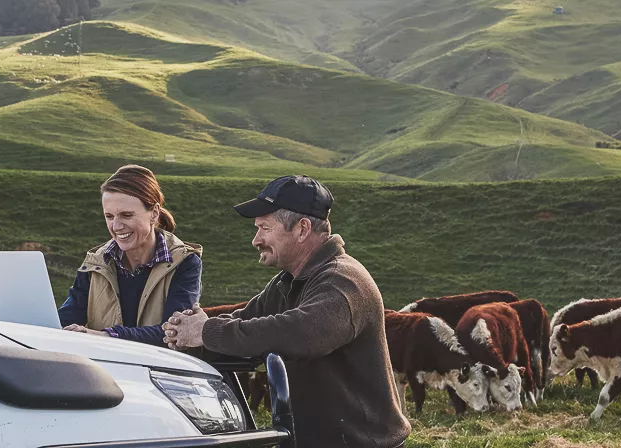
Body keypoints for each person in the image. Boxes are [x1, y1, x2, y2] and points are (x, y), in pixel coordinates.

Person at [162, 175, 410, 448]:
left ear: (302, 229)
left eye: (265, 228)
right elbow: (247, 322)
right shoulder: (289, 281)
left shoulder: (343, 281)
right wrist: (186, 334)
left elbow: (302, 333)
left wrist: (206, 331)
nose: (256, 240)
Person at [58, 165, 202, 346]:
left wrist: (104, 336)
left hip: (157, 370)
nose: (116, 226)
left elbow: (173, 332)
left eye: (126, 215)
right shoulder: (95, 262)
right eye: (109, 216)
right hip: (101, 369)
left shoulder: (185, 262)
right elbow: (65, 319)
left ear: (154, 213)